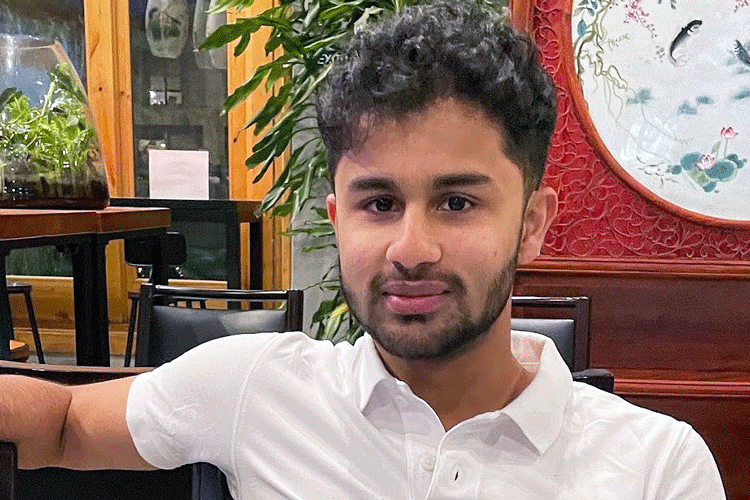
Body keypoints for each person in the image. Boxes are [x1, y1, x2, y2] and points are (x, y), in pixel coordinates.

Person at [1, 1, 725, 498]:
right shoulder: (255, 389)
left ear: (532, 223)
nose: (411, 248)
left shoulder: (657, 469)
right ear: (336, 218)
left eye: (458, 202)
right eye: (379, 203)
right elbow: (64, 424)